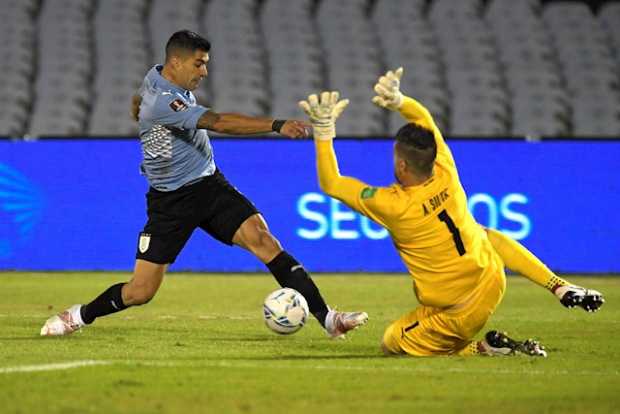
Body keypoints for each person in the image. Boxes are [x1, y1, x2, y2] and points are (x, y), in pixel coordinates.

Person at [40, 30, 368, 338]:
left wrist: (138, 107)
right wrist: (276, 124)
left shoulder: (157, 75)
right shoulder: (164, 102)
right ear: (177, 63)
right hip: (171, 202)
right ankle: (79, 315)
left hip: (209, 185)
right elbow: (219, 122)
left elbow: (143, 95)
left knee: (264, 240)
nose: (204, 72)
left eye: (206, 64)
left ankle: (328, 319)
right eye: (199, 64)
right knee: (140, 292)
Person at [298, 67, 605, 357]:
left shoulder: (392, 205)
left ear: (402, 165)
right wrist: (401, 101)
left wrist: (323, 132)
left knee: (392, 341)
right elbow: (424, 118)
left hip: (458, 312)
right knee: (484, 235)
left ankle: (480, 349)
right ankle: (558, 285)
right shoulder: (445, 167)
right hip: (491, 281)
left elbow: (332, 183)